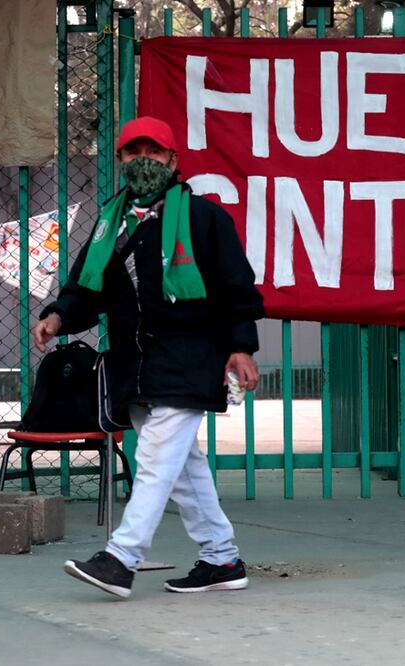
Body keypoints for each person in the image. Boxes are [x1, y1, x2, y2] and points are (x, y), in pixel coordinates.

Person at [33, 116, 264, 599]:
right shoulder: (109, 224)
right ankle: (221, 559)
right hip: (132, 365)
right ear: (120, 161)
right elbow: (84, 289)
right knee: (183, 468)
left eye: (155, 152)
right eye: (134, 152)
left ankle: (122, 558)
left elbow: (235, 289)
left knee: (158, 459)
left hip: (190, 357)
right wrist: (57, 316)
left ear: (174, 162)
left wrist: (240, 347)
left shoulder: (204, 219)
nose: (144, 160)